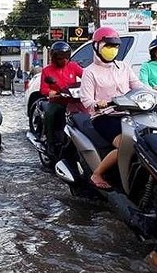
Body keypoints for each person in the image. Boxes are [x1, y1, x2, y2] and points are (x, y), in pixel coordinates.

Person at [80, 26, 143, 189]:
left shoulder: (124, 67)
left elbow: (138, 86)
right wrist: (97, 103)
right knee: (126, 145)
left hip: (129, 113)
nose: (112, 50)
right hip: (104, 116)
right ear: (96, 46)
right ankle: (97, 174)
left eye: (115, 46)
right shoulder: (90, 72)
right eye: (108, 46)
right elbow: (86, 100)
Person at [39, 41, 83, 153]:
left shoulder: (73, 66)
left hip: (73, 101)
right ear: (54, 58)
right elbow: (43, 89)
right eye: (59, 58)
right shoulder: (47, 70)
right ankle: (50, 142)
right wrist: (52, 92)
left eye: (65, 58)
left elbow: (86, 76)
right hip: (57, 101)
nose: (63, 60)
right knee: (50, 115)